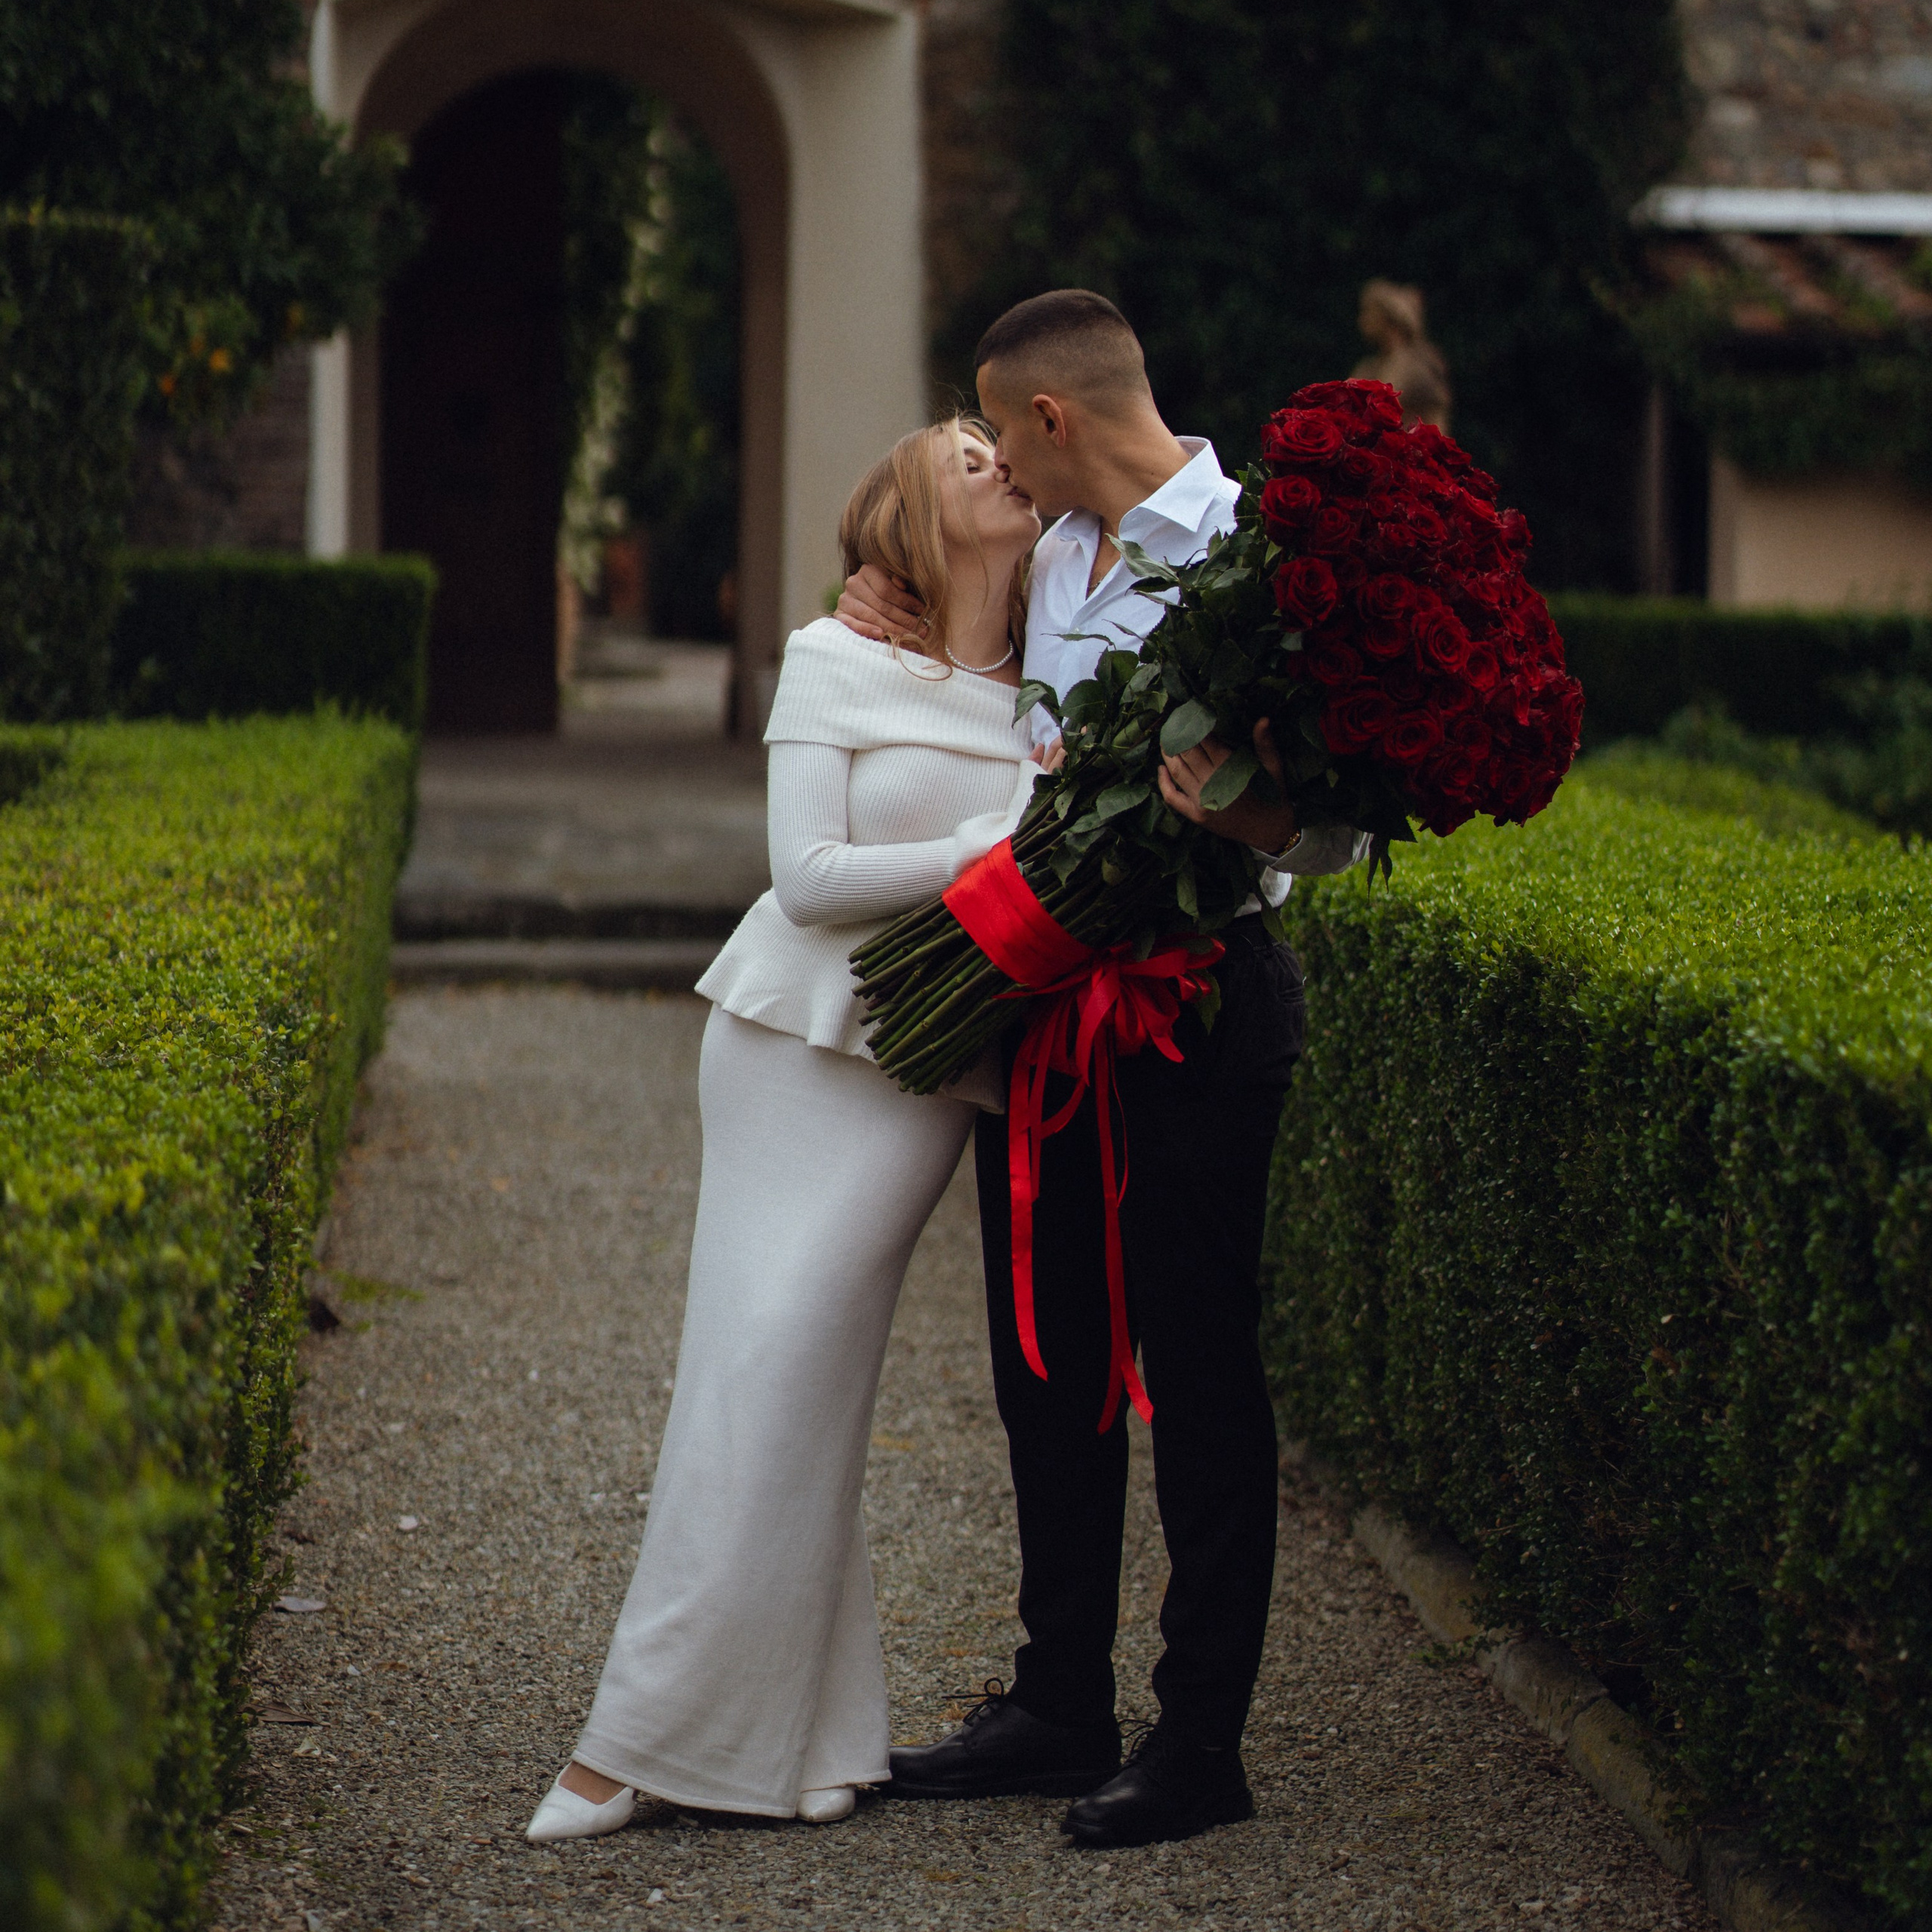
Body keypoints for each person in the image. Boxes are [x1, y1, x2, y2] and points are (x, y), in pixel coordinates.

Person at [837, 291, 1369, 1849]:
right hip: (1048, 1004)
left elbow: (1332, 832)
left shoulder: (1256, 562)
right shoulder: (1048, 553)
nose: (992, 463)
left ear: (1050, 419)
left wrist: (1250, 818)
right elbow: (951, 669)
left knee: (1199, 1372)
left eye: (998, 430)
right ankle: (1055, 1698)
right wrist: (877, 594)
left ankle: (1198, 1738)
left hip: (1202, 1003)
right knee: (1047, 1358)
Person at [525, 418, 1044, 1842]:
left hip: (926, 1074)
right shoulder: (836, 657)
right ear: (913, 521)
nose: (996, 460)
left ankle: (770, 1738)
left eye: (1004, 446)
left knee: (800, 1378)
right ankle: (680, 1738)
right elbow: (808, 877)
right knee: (757, 1377)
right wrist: (987, 857)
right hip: (783, 1049)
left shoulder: (1059, 679)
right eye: (965, 457)